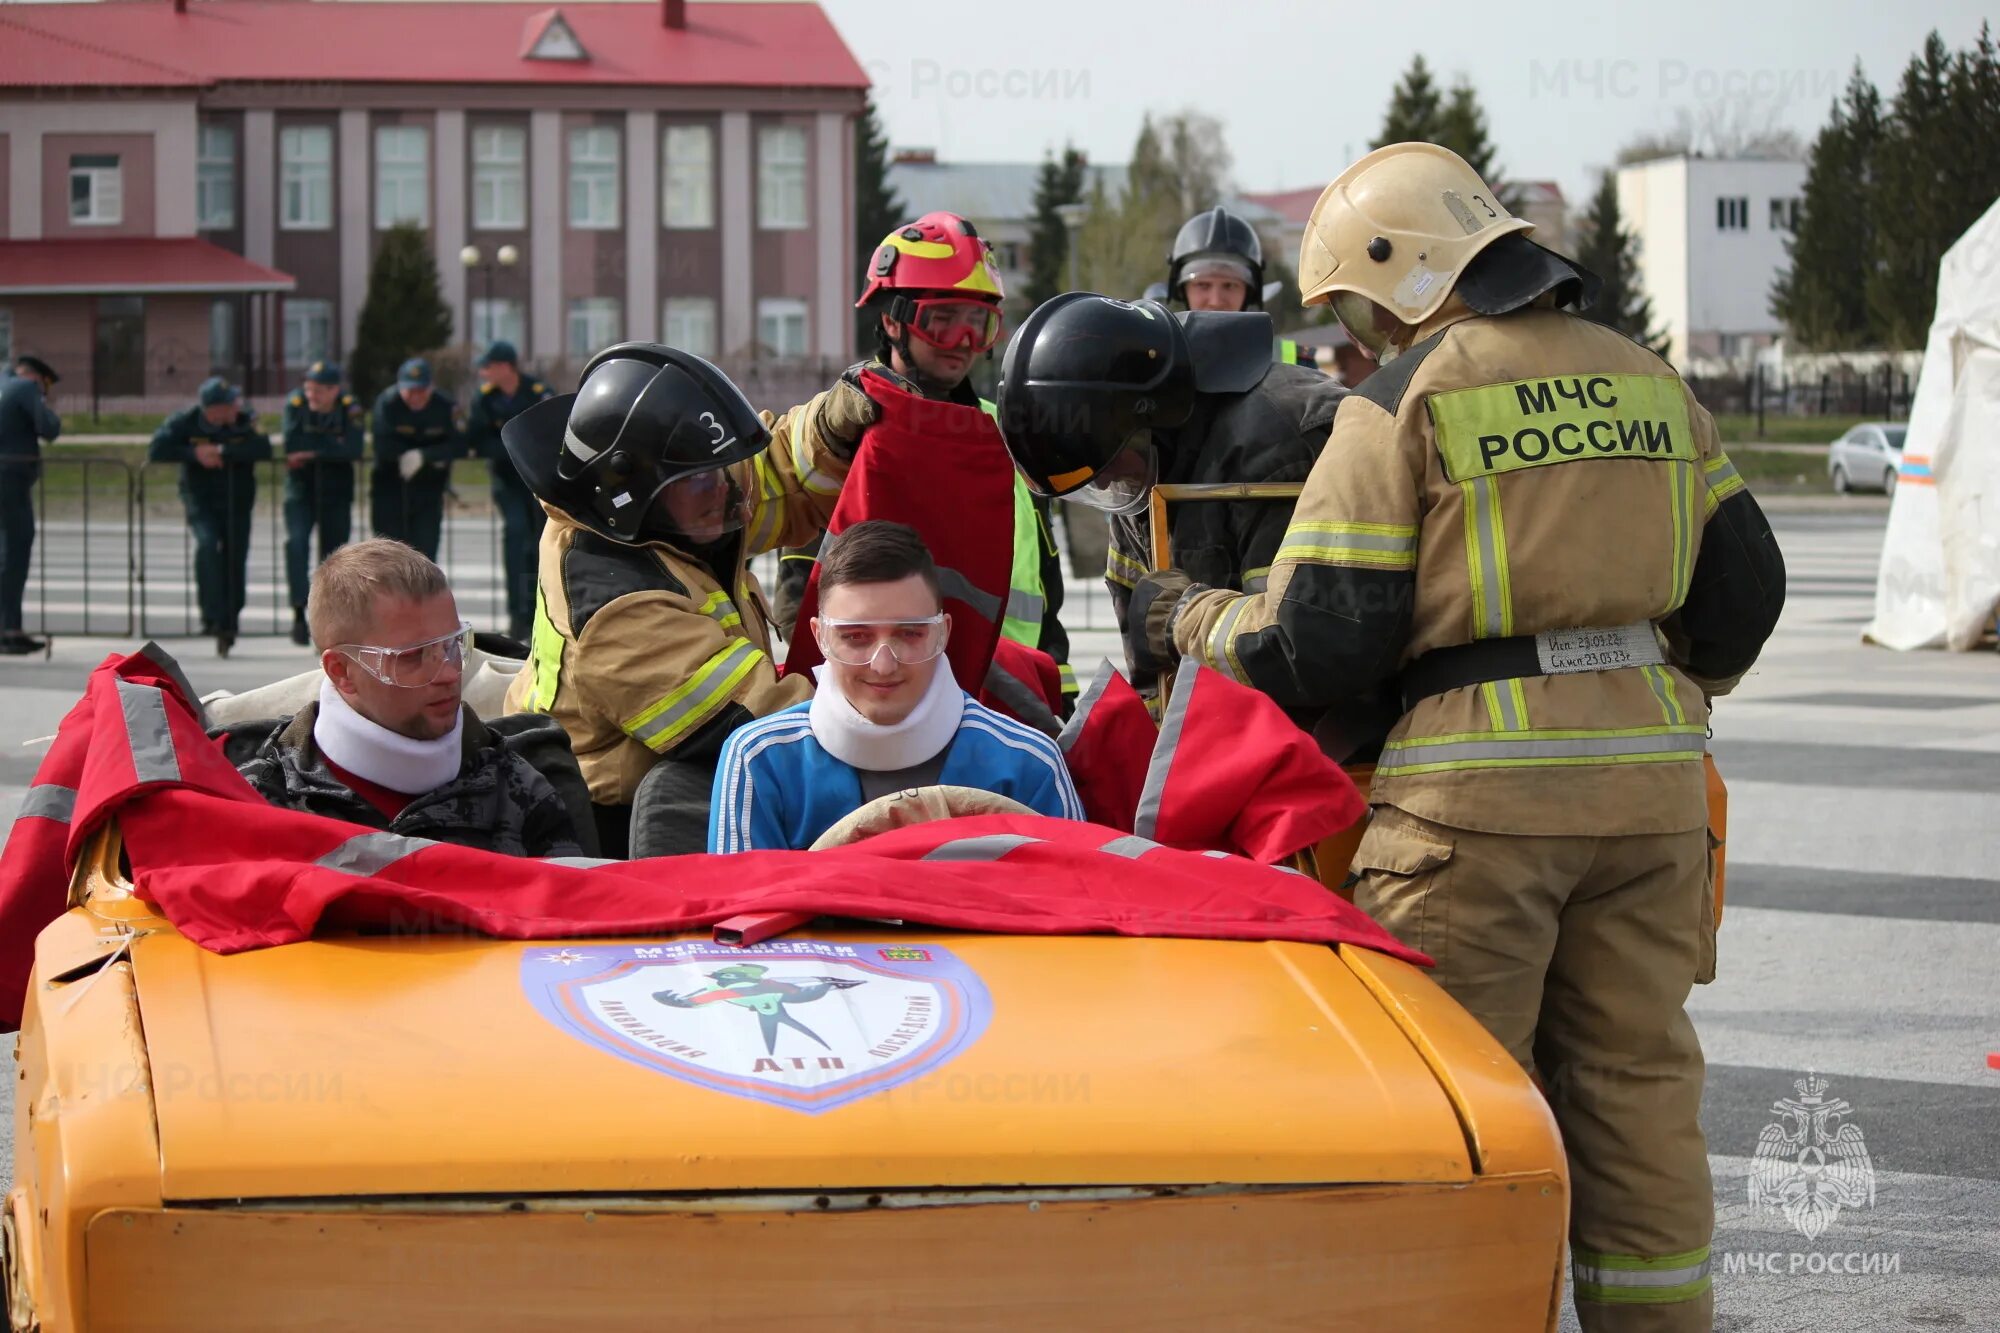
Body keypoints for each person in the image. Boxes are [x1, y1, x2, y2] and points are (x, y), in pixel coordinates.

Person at [1123, 143, 1787, 1333]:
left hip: (1470, 818)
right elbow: (1742, 596)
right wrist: (1650, 694)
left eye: (1367, 308)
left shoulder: (1400, 404)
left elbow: (1319, 643)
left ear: (1410, 269)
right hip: (1650, 804)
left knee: (1456, 1105)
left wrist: (1193, 615)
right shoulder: (1647, 378)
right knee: (1637, 1093)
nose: (1367, 336)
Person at [501, 342, 862, 857]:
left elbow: (773, 473)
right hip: (610, 832)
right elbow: (764, 724)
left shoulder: (666, 508)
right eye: (697, 479)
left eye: (717, 471)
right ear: (630, 494)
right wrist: (889, 712)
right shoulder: (619, 609)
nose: (720, 489)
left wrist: (830, 427)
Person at [996, 294, 1341, 720]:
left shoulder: (1276, 448)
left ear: (1151, 416)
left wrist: (1183, 614)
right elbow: (1151, 668)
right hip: (1230, 753)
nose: (1105, 483)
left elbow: (1303, 648)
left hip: (1325, 758)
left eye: (1105, 467)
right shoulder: (1140, 470)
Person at [774, 210, 1073, 699]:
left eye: (979, 324)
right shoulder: (842, 430)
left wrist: (1056, 696)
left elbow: (1045, 588)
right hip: (875, 694)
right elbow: (799, 593)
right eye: (942, 321)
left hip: (1003, 703)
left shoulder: (1003, 436)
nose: (963, 343)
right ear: (892, 320)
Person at [709, 521, 1082, 853]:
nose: (883, 665)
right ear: (819, 637)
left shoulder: (1030, 764)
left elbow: (1079, 909)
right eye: (855, 637)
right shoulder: (759, 761)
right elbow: (735, 923)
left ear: (943, 634)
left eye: (910, 634)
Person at [219, 538, 584, 858]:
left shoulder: (519, 790)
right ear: (341, 671)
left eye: (452, 645)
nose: (449, 673)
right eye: (411, 657)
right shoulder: (259, 801)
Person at [148, 377, 273, 655]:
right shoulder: (186, 421)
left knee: (235, 557)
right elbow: (157, 449)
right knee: (207, 546)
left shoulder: (246, 418)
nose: (234, 409)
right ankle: (211, 614)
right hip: (200, 500)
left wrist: (222, 452)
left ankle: (230, 620)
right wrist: (194, 453)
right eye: (229, 405)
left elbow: (263, 448)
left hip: (237, 501)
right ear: (212, 410)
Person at [464, 340, 554, 642]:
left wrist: (513, 446)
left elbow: (551, 435)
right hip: (508, 482)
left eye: (488, 367)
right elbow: (476, 441)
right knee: (515, 538)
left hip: (537, 483)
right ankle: (518, 615)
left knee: (540, 545)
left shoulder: (538, 393)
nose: (483, 372)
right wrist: (517, 448)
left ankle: (545, 611)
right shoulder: (485, 400)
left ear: (506, 367)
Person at [1163, 205, 1317, 368]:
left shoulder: (1295, 362)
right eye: (1203, 285)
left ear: (1250, 292)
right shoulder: (1158, 360)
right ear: (1181, 290)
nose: (1215, 301)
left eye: (1229, 285)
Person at [281, 361, 365, 645]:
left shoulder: (350, 407)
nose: (311, 396)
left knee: (335, 558)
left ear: (334, 390)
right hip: (301, 491)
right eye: (308, 389)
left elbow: (353, 448)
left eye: (318, 391)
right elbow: (291, 444)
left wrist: (313, 449)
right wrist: (330, 446)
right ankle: (297, 611)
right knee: (296, 544)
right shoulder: (296, 405)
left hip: (335, 491)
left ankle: (330, 620)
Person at [370, 357, 463, 561]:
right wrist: (405, 455)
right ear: (400, 387)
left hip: (428, 489)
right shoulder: (387, 403)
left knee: (425, 555)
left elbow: (459, 444)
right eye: (410, 391)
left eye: (421, 391)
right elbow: (382, 444)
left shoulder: (445, 405)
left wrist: (425, 456)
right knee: (390, 558)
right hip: (390, 488)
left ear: (431, 387)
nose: (415, 397)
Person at [0, 355, 60, 655]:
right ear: (36, 377)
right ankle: (7, 629)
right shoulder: (24, 387)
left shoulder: (3, 383)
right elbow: (49, 427)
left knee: (7, 553)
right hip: (10, 482)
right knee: (14, 553)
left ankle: (11, 626)